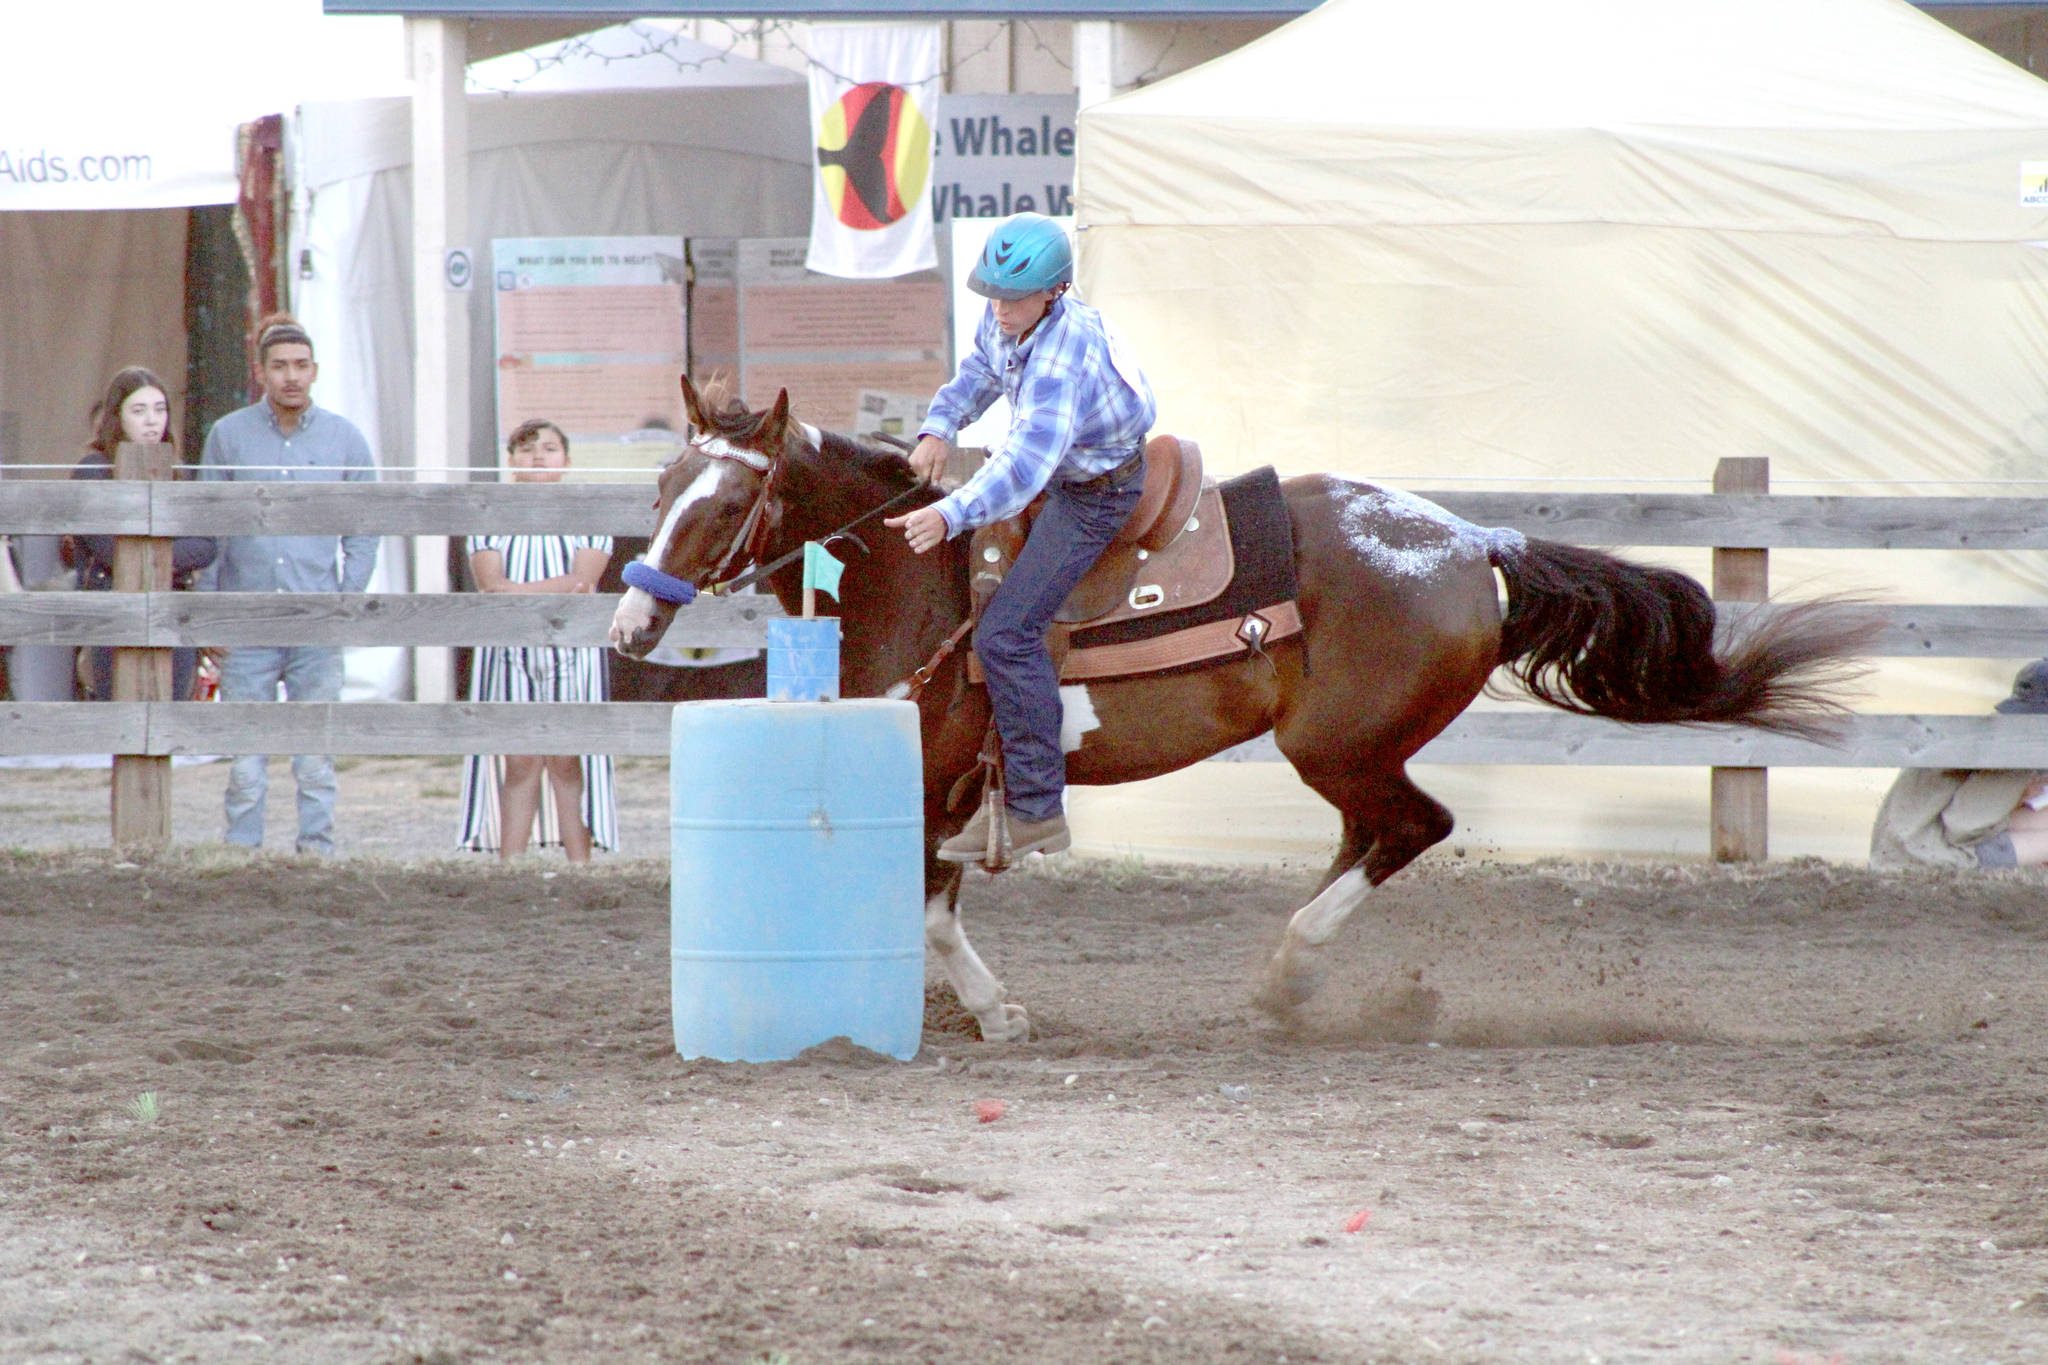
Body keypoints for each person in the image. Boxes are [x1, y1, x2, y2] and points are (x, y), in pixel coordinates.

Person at [884, 212, 1157, 861]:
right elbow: (979, 371)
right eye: (994, 295)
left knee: (1005, 632)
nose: (999, 310)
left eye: (1014, 298)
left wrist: (949, 514)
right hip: (1066, 471)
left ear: (1054, 293)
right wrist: (938, 426)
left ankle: (1036, 807)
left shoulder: (1064, 355)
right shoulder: (1008, 320)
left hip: (1097, 490)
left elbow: (1026, 464)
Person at [196, 313, 378, 857]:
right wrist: (209, 614)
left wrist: (346, 597)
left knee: (315, 753)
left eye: (300, 365)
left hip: (315, 620)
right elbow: (209, 529)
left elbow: (365, 525)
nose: (291, 377)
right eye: (279, 367)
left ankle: (317, 854)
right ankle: (241, 856)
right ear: (261, 373)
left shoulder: (346, 439)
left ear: (315, 370)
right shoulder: (228, 436)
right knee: (246, 759)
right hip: (246, 620)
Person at [456, 419, 618, 862]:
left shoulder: (588, 516)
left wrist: (516, 590)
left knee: (568, 759)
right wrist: (551, 586)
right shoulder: (491, 516)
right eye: (527, 449)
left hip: (573, 650)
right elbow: (490, 584)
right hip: (508, 650)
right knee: (520, 761)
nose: (538, 457)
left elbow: (585, 582)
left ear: (566, 460)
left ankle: (579, 866)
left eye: (549, 448)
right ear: (511, 462)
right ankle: (511, 866)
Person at [65, 367, 217, 701]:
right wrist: (168, 551)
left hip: (171, 610)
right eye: (139, 410)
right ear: (118, 417)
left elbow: (206, 546)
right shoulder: (95, 470)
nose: (152, 420)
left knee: (169, 720)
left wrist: (151, 556)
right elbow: (111, 551)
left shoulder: (178, 472)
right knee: (118, 724)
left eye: (160, 409)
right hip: (111, 615)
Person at [1870, 658, 2048, 868]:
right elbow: (1964, 827)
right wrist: (2018, 795)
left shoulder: (1987, 731)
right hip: (1928, 858)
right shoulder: (2016, 749)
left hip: (1897, 850)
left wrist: (2017, 798)